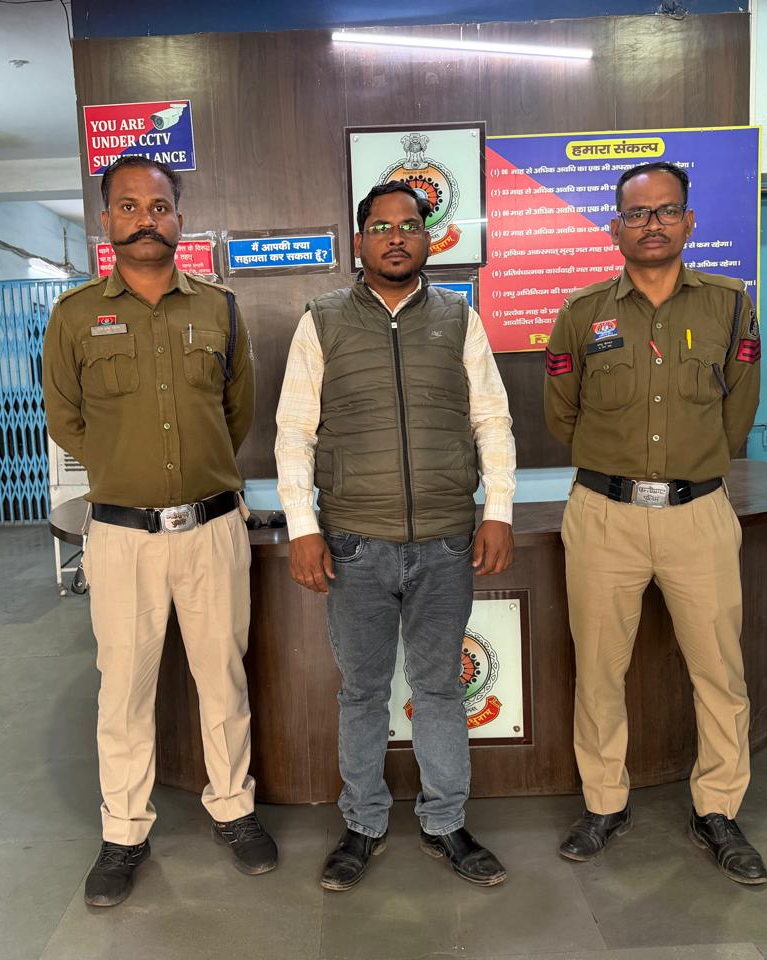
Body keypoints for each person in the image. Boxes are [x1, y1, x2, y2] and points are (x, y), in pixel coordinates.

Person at [43, 155, 276, 908]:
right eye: (129, 206)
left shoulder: (220, 309)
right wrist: (128, 467)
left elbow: (237, 412)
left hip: (212, 528)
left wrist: (193, 473)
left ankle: (233, 809)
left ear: (179, 218)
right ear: (106, 220)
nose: (146, 218)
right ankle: (124, 832)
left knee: (223, 678)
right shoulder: (75, 316)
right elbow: (65, 417)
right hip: (121, 537)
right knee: (123, 689)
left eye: (160, 206)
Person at [274, 181, 517, 891]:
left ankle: (446, 822)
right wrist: (303, 527)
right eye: (380, 227)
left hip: (445, 542)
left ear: (428, 236)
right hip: (354, 544)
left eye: (408, 225)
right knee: (362, 692)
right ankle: (362, 824)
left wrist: (499, 509)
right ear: (360, 241)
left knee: (439, 688)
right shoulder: (321, 321)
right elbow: (294, 431)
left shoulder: (459, 319)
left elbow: (491, 419)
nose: (395, 237)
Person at [543, 161, 766, 885]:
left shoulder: (730, 306)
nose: (653, 225)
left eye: (667, 211)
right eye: (637, 214)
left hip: (698, 514)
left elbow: (739, 406)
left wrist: (693, 468)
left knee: (720, 671)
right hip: (603, 516)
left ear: (690, 221)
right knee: (598, 670)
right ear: (616, 226)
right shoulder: (582, 313)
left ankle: (718, 809)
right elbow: (561, 414)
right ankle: (604, 802)